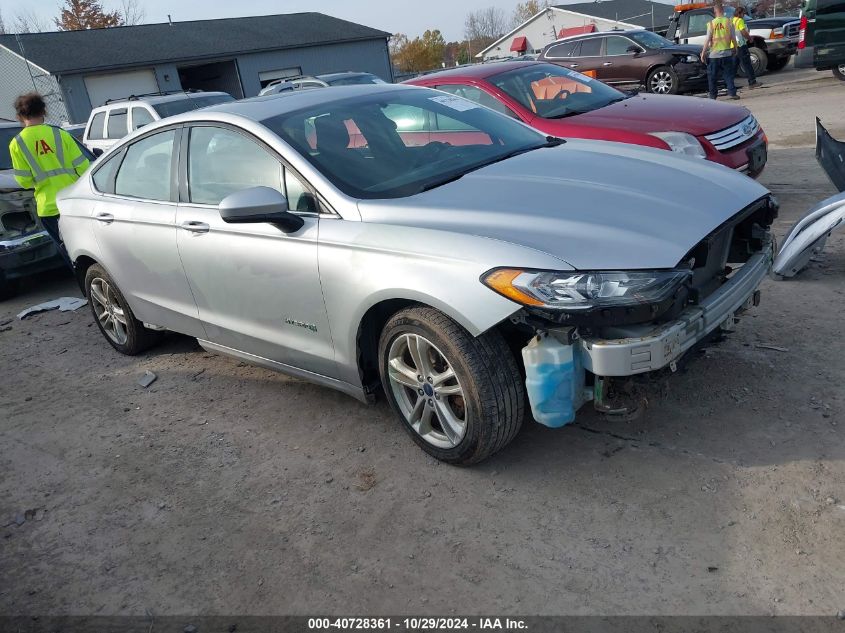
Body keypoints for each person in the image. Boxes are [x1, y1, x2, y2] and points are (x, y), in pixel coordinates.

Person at [9, 92, 89, 269]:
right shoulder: (60, 134)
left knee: (69, 254)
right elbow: (83, 168)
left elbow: (24, 182)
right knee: (88, 250)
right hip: (73, 201)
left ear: (20, 115)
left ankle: (86, 290)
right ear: (43, 111)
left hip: (49, 208)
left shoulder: (17, 143)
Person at [700, 1, 740, 100]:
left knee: (712, 76)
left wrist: (703, 53)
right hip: (727, 53)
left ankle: (713, 96)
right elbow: (733, 38)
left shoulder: (711, 24)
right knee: (728, 75)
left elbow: (708, 39)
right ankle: (732, 93)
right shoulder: (728, 22)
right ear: (723, 11)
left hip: (714, 55)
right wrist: (735, 48)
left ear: (715, 12)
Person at [732, 6, 761, 89]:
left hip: (734, 46)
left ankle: (729, 84)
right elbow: (743, 32)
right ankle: (752, 82)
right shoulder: (739, 20)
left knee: (734, 65)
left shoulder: (731, 20)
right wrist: (750, 38)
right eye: (743, 13)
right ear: (740, 13)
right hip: (741, 45)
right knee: (747, 64)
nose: (744, 15)